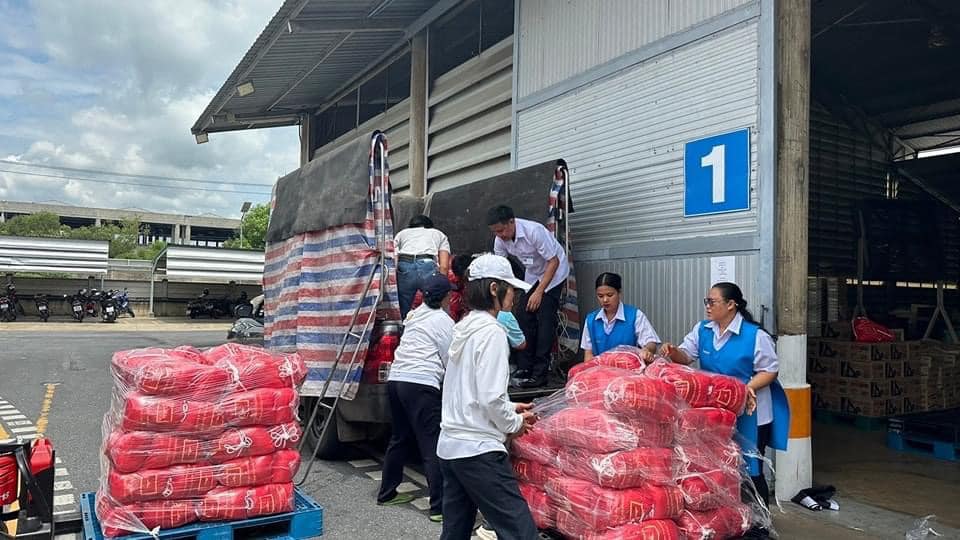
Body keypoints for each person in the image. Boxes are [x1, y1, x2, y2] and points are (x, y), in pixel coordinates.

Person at [437, 254, 539, 540]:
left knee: (455, 532)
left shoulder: (463, 327)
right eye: (511, 288)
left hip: (450, 447)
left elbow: (468, 388)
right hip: (478, 450)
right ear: (494, 288)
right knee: (521, 532)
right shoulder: (493, 332)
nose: (515, 295)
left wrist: (508, 406)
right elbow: (491, 398)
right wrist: (514, 423)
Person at [660, 282, 790, 505]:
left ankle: (760, 525)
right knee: (720, 464)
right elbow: (686, 356)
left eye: (712, 301)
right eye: (706, 301)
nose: (707, 306)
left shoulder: (754, 335)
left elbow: (770, 370)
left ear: (731, 305)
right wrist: (673, 352)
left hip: (752, 413)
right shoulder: (703, 330)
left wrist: (747, 388)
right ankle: (733, 518)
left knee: (750, 467)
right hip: (716, 413)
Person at [377, 274, 455, 522]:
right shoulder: (443, 321)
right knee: (431, 443)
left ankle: (387, 493)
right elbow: (449, 357)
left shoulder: (414, 315)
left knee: (399, 438)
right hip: (421, 383)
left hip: (396, 380)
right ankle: (439, 508)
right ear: (445, 297)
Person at [488, 205, 570, 388]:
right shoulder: (499, 240)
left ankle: (540, 374)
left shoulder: (534, 231)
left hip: (554, 272)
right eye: (495, 232)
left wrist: (540, 292)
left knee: (544, 320)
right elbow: (500, 269)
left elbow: (553, 261)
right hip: (533, 273)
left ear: (512, 221)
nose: (500, 235)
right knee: (524, 316)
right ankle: (525, 367)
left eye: (502, 230)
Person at [580, 272, 659, 362]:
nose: (605, 300)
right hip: (601, 372)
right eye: (600, 296)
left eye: (610, 295)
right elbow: (588, 354)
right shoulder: (591, 320)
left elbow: (650, 342)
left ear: (619, 293)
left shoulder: (635, 315)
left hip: (629, 371)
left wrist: (647, 350)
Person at [395, 215, 451, 318]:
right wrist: (442, 286)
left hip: (404, 265)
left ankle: (403, 329)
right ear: (430, 226)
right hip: (427, 265)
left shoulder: (401, 234)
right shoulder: (438, 234)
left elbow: (394, 259)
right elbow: (444, 267)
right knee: (436, 304)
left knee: (403, 309)